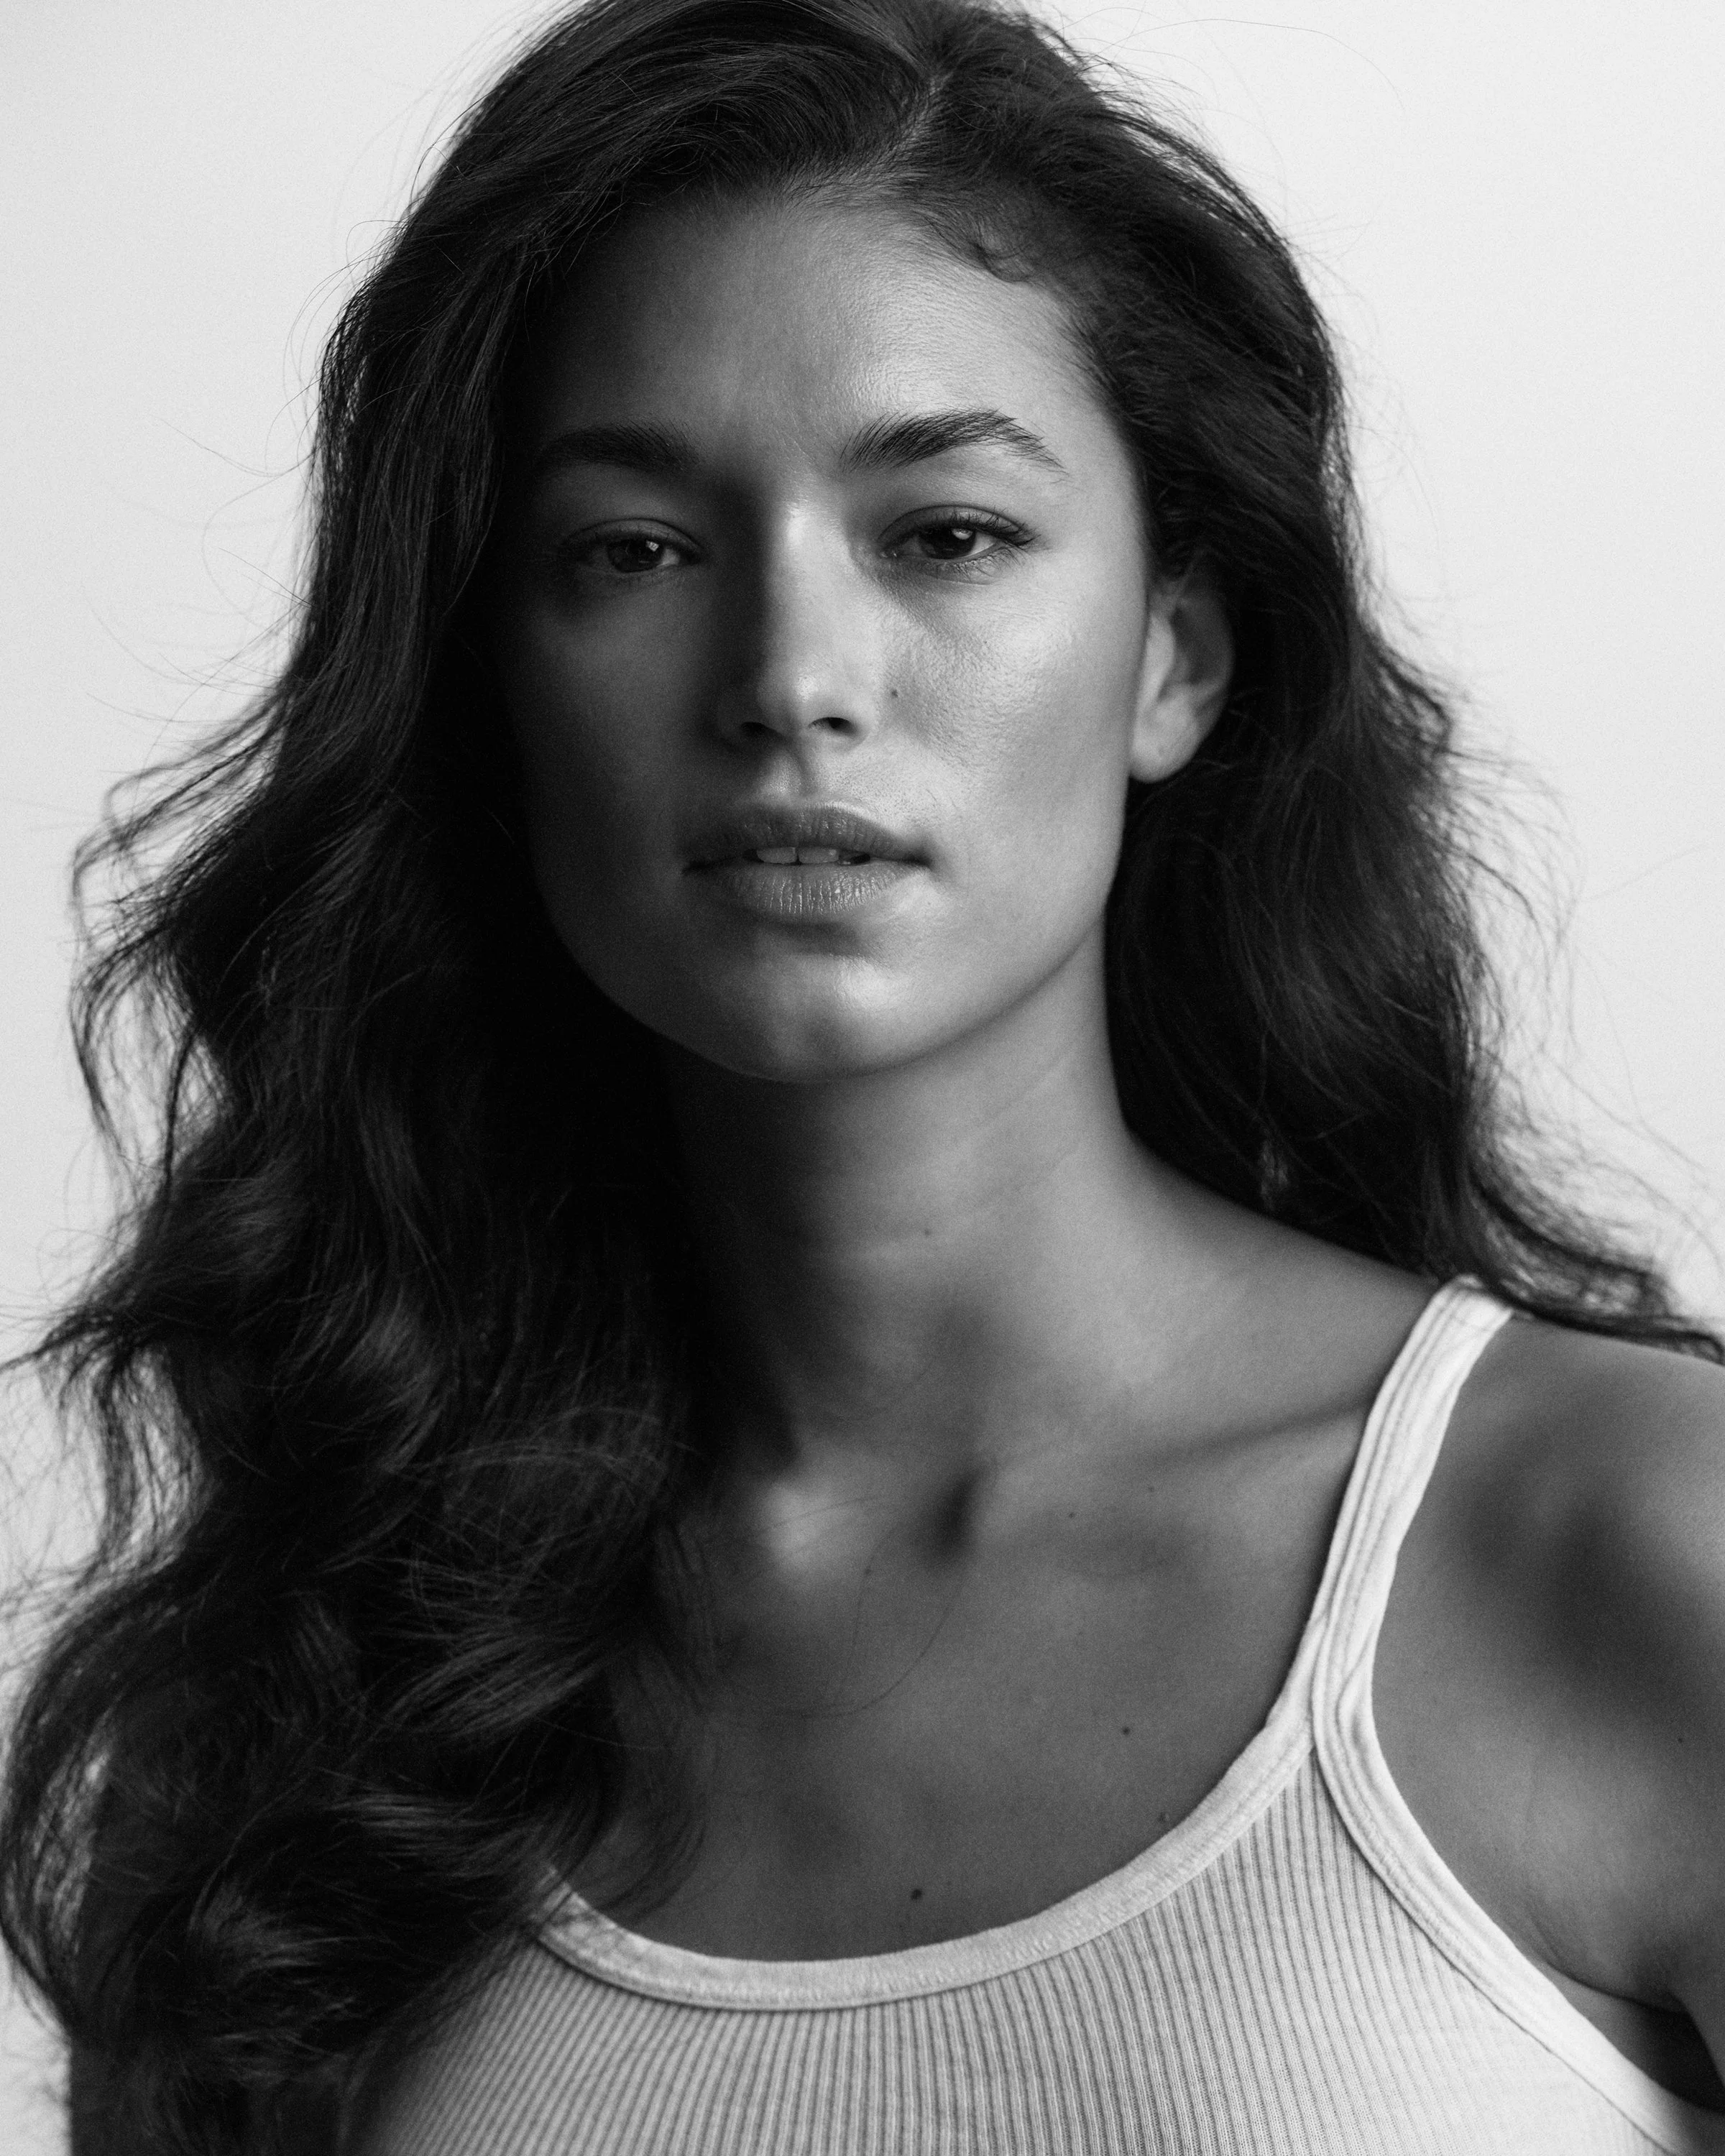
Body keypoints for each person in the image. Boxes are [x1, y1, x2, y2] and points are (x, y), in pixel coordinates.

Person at [4, 0, 1724, 2149]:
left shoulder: (1639, 1550)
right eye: (633, 551)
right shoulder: (308, 1733)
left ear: (1175, 657)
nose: (793, 681)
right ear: (485, 684)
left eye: (947, 535)